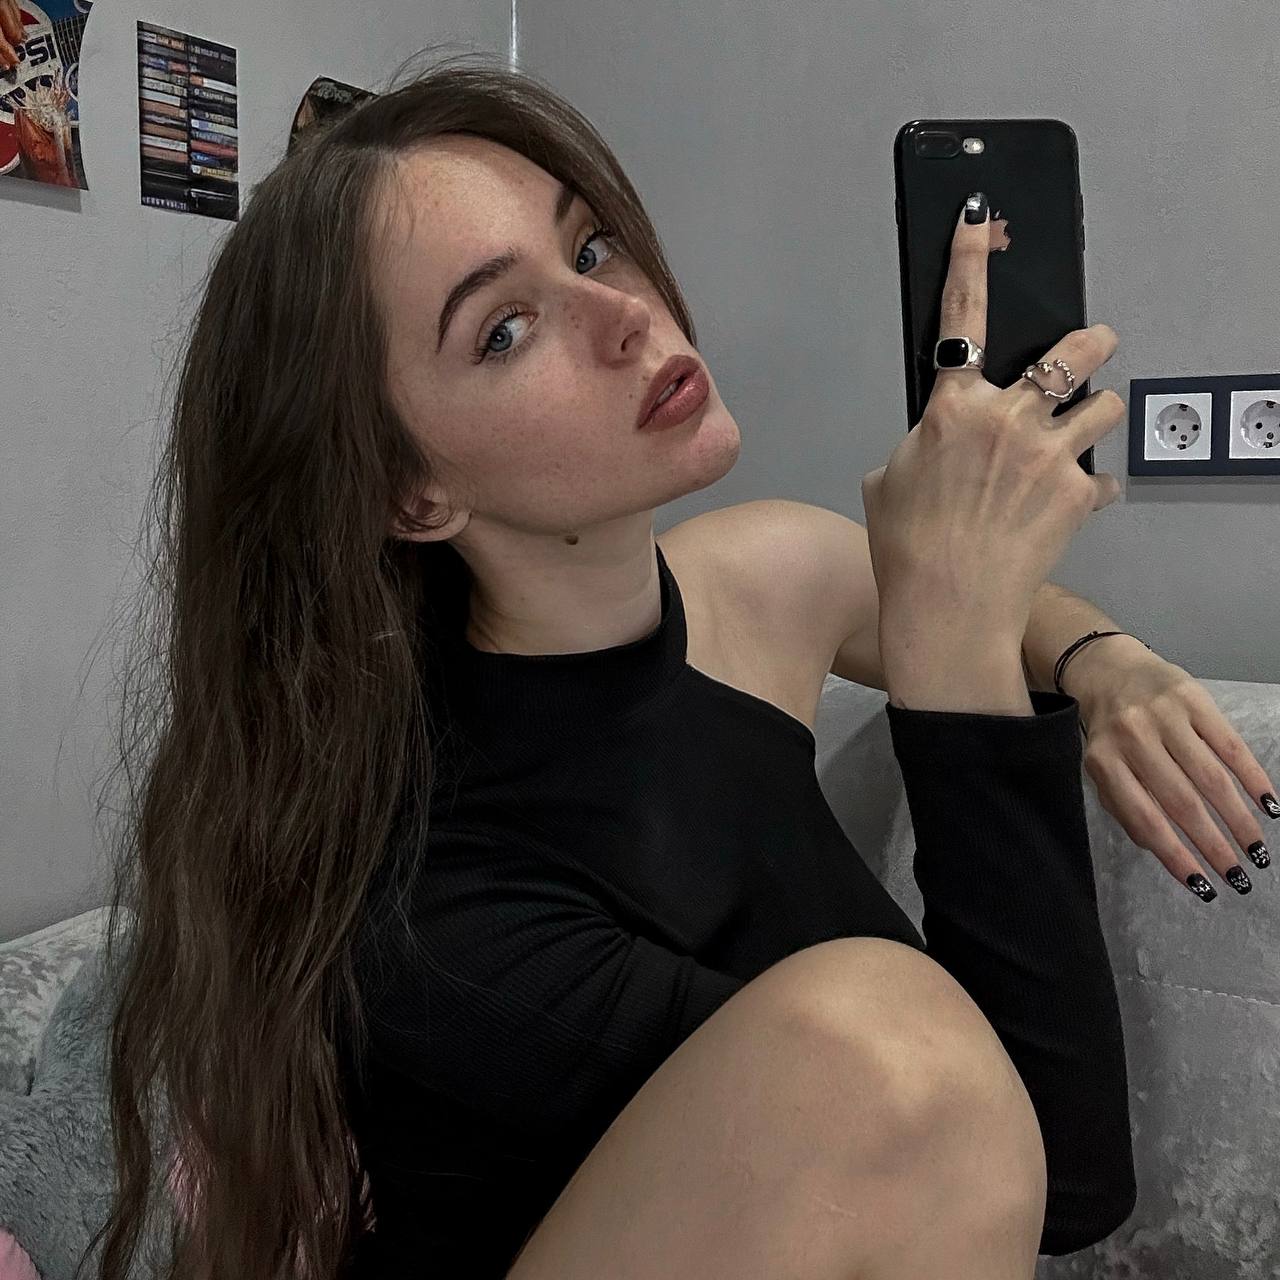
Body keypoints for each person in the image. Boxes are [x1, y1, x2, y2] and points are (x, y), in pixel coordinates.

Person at [90, 47, 1136, 1280]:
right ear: (411, 493)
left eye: (588, 248)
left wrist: (1107, 662)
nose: (624, 313)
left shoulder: (752, 573)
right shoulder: (438, 914)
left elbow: (956, 581)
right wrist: (952, 643)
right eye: (504, 330)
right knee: (877, 1040)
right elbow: (1033, 1168)